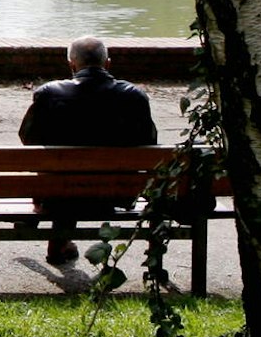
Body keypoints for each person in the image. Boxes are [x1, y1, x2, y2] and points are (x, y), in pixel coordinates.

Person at [18, 35, 158, 264]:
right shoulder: (134, 97)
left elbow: (28, 138)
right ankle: (154, 262)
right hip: (117, 193)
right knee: (68, 175)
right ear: (108, 64)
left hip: (58, 194)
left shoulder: (49, 94)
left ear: (72, 65)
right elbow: (149, 143)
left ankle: (57, 243)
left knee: (60, 173)